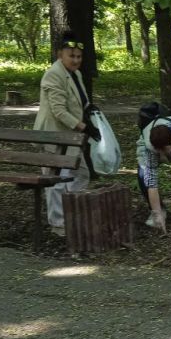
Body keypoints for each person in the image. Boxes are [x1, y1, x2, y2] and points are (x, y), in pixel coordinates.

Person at [33, 31, 100, 237]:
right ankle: (59, 224)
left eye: (79, 56)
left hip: (69, 136)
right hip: (53, 135)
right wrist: (83, 127)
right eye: (71, 56)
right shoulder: (54, 74)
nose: (76, 60)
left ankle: (71, 213)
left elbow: (80, 100)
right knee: (54, 180)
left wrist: (90, 111)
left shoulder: (76, 74)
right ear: (60, 54)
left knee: (80, 174)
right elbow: (59, 110)